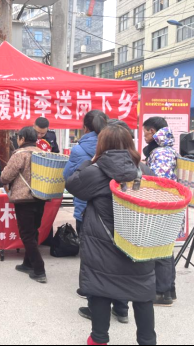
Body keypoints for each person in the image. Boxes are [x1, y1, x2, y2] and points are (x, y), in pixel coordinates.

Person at [66, 125, 156, 346]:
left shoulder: (94, 172)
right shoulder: (145, 171)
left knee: (100, 289)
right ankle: (147, 340)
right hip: (137, 244)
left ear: (102, 145)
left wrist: (89, 162)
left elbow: (72, 184)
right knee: (142, 293)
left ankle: (99, 339)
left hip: (102, 243)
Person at [0, 127, 48, 284]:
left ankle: (39, 270)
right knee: (33, 231)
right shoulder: (42, 153)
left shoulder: (20, 154)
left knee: (26, 234)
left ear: (21, 139)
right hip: (40, 197)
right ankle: (28, 263)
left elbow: (5, 176)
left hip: (24, 199)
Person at [143, 117, 179, 307]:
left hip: (163, 206)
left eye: (145, 132)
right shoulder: (165, 149)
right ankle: (169, 289)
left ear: (152, 131)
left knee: (161, 248)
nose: (144, 136)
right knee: (165, 247)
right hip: (169, 205)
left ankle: (162, 292)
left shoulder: (161, 152)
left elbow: (159, 182)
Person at [63, 111, 108, 235]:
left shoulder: (78, 150)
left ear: (85, 128)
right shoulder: (114, 145)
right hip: (109, 208)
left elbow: (68, 177)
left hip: (84, 206)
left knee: (84, 241)